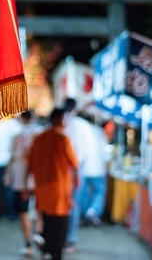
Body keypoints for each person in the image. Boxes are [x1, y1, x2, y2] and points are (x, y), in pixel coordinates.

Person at [25, 108, 79, 260]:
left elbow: (30, 163)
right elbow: (74, 163)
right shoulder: (62, 139)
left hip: (42, 188)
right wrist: (77, 180)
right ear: (58, 120)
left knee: (47, 221)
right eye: (64, 119)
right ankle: (55, 253)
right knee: (60, 225)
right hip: (59, 189)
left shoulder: (39, 138)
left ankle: (47, 250)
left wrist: (26, 185)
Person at [3, 109, 44, 256]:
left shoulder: (17, 134)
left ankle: (28, 244)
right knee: (40, 209)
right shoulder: (41, 133)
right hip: (39, 178)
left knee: (24, 212)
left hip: (21, 178)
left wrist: (7, 174)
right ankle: (39, 235)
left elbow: (12, 157)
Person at [62, 98, 92, 253]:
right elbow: (86, 151)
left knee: (63, 204)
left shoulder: (62, 123)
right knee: (73, 204)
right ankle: (70, 240)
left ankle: (61, 238)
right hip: (76, 167)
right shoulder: (82, 125)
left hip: (63, 168)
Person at [78, 116, 108, 227]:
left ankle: (86, 213)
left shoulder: (81, 131)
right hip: (98, 168)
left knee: (83, 192)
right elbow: (105, 152)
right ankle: (93, 211)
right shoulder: (99, 132)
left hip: (84, 168)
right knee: (99, 191)